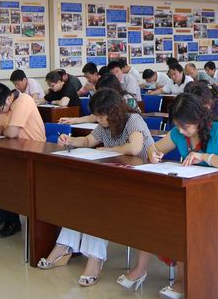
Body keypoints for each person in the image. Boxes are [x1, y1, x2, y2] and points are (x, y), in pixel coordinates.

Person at [119, 93, 218, 299]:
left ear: (199, 118)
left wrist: (203, 156)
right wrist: (153, 153)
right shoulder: (179, 133)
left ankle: (182, 280)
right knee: (151, 213)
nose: (180, 130)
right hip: (193, 191)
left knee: (184, 221)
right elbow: (154, 147)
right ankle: (140, 269)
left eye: (185, 126)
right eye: (177, 125)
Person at [41, 89, 155, 286]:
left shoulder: (133, 120)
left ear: (114, 111)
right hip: (116, 180)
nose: (99, 120)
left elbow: (134, 148)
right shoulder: (104, 125)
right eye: (97, 116)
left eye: (101, 116)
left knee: (97, 204)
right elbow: (88, 140)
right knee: (81, 197)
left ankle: (95, 258)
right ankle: (64, 246)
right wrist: (70, 141)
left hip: (141, 183)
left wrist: (108, 149)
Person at [0, 82, 46, 237]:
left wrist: (3, 130)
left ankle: (12, 222)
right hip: (15, 150)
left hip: (34, 153)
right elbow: (3, 127)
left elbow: (11, 132)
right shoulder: (6, 105)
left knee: (6, 178)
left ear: (7, 100)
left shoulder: (23, 101)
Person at [60, 73, 138, 124]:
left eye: (104, 91)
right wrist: (73, 120)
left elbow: (124, 121)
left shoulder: (127, 99)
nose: (103, 94)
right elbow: (95, 116)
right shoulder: (106, 99)